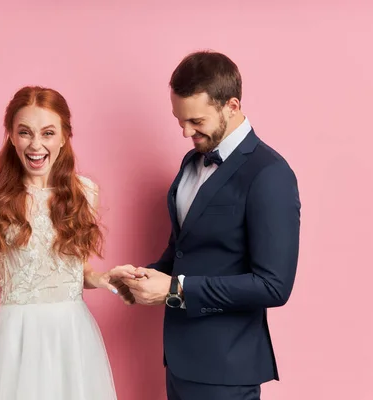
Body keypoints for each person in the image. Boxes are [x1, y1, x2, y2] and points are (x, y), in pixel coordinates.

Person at [120, 51, 301, 400]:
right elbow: (185, 250)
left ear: (231, 106)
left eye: (196, 121)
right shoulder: (192, 160)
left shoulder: (270, 174)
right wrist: (144, 277)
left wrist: (175, 290)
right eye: (179, 121)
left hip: (227, 370)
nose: (186, 132)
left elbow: (274, 286)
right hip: (179, 362)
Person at [0, 86, 136, 399]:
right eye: (25, 133)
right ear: (11, 136)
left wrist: (99, 278)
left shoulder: (85, 192)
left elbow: (73, 266)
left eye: (47, 133)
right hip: (16, 337)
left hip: (72, 335)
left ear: (64, 136)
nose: (36, 145)